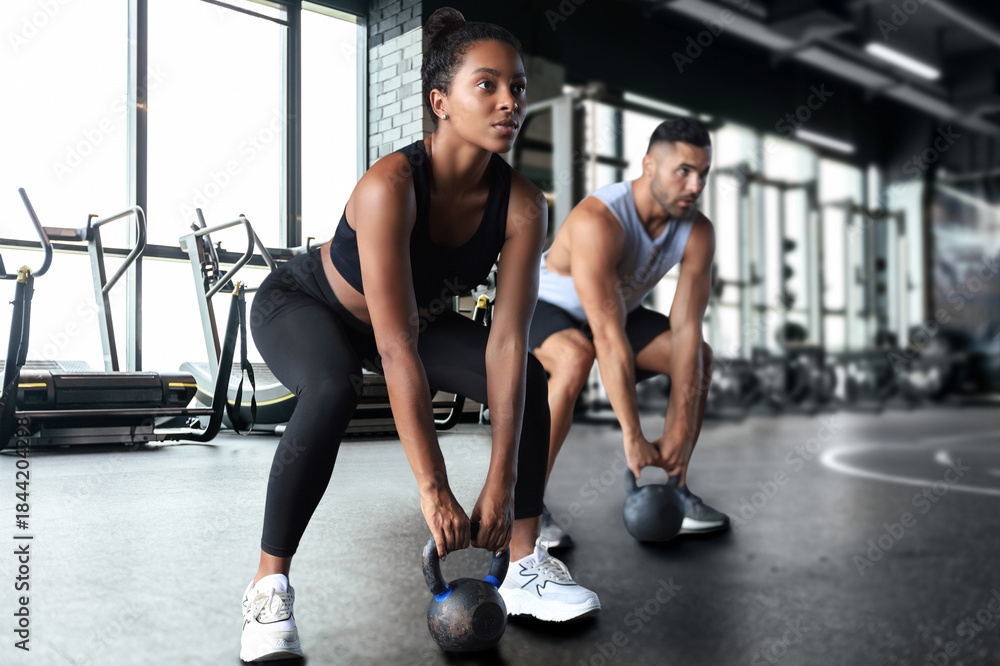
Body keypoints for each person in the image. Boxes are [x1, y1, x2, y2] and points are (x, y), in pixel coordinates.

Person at [240, 8, 598, 662]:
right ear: (441, 102)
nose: (508, 102)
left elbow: (506, 343)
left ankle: (523, 565)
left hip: (410, 325)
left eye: (516, 87)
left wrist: (501, 479)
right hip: (309, 306)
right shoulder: (391, 185)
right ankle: (269, 586)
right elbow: (395, 344)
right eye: (486, 86)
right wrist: (434, 489)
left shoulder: (522, 203)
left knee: (535, 375)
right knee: (331, 388)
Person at [529, 118, 730, 550]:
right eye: (683, 171)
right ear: (649, 166)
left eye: (703, 174)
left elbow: (687, 329)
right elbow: (608, 337)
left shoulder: (697, 231)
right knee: (575, 355)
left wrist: (676, 430)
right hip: (545, 308)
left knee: (700, 354)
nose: (695, 186)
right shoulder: (599, 221)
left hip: (617, 314)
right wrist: (633, 435)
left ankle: (674, 485)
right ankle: (525, 505)